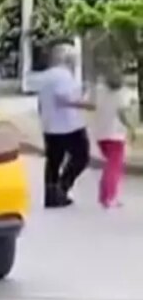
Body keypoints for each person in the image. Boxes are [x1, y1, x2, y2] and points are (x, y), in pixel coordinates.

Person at [38, 43, 92, 208]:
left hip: (50, 126)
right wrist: (86, 105)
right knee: (81, 156)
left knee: (53, 161)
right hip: (69, 126)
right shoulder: (63, 75)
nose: (75, 61)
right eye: (73, 58)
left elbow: (42, 102)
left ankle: (51, 196)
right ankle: (62, 186)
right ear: (66, 59)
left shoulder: (45, 76)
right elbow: (64, 98)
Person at [93, 66, 136, 209]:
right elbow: (122, 114)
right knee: (114, 167)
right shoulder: (123, 94)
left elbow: (93, 105)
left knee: (110, 166)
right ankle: (109, 197)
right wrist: (131, 128)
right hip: (116, 135)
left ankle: (105, 195)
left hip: (101, 134)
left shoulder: (99, 90)